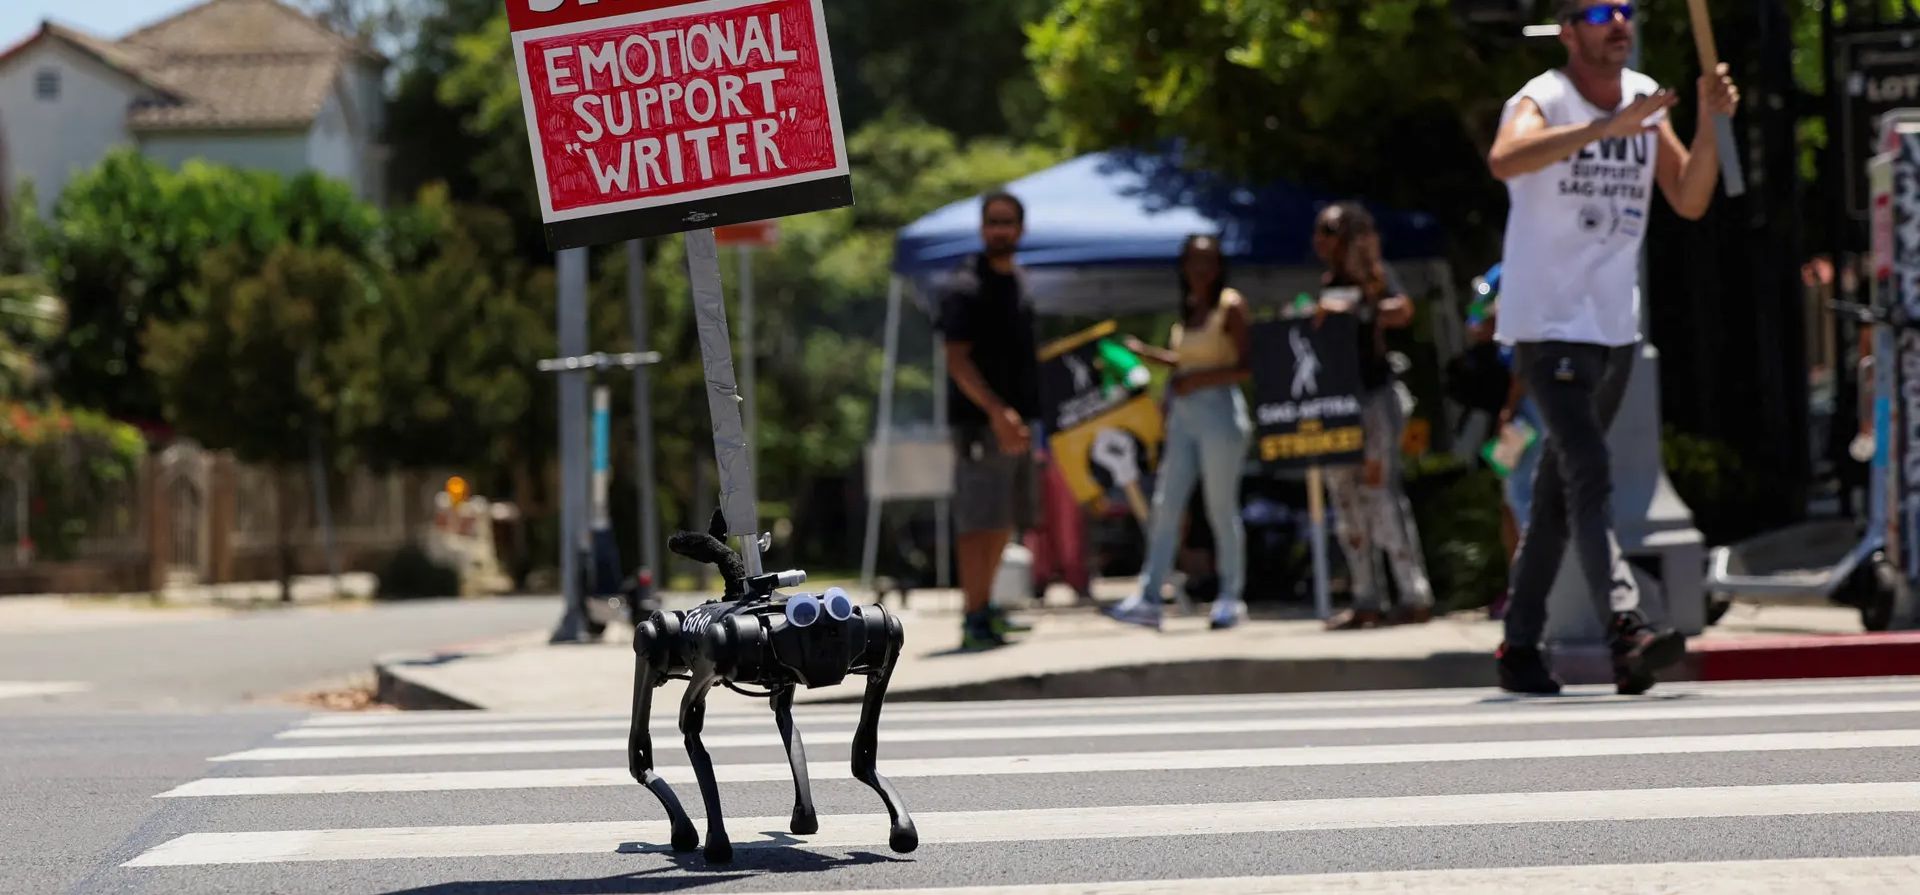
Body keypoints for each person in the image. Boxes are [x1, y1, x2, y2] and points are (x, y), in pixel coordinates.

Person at [1485, 0, 1739, 694]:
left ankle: (1519, 647)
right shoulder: (1545, 96)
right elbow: (1506, 159)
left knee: (1562, 498)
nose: (1617, 21)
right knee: (1590, 469)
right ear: (1568, 31)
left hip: (1613, 328)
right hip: (1549, 326)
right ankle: (1627, 627)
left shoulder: (1643, 99)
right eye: (1599, 11)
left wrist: (1713, 124)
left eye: (1625, 8)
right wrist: (1604, 129)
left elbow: (1689, 196)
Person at [1105, 234, 1254, 631]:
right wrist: (1149, 355)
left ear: (1219, 265)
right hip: (1184, 416)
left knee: (1220, 508)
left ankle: (1229, 597)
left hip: (1220, 412)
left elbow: (1246, 365)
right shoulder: (1189, 307)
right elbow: (1184, 361)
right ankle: (1150, 596)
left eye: (1208, 260)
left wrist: (1199, 380)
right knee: (1166, 504)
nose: (1200, 269)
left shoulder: (1231, 305)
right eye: (1193, 261)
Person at [1310, 201, 1436, 630]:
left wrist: (1362, 310)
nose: (1321, 241)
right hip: (1338, 404)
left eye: (1328, 231)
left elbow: (1403, 310)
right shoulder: (1328, 283)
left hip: (1375, 399)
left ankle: (1412, 593)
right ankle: (1366, 596)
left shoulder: (1375, 278)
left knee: (1381, 494)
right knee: (1346, 501)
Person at [938, 190, 1041, 651]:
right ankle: (972, 616)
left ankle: (985, 608)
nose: (1000, 230)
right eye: (992, 222)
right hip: (981, 426)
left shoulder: (1018, 281)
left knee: (1004, 521)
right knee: (978, 522)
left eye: (1008, 222)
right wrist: (998, 413)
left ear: (1021, 229)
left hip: (1018, 426)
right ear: (982, 228)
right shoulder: (966, 285)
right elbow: (957, 361)